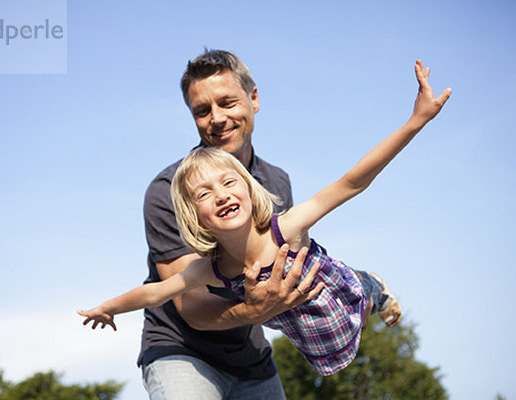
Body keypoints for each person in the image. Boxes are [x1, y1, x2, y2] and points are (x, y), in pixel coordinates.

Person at [78, 61, 451, 377]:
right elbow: (157, 292)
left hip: (327, 301)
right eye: (205, 194)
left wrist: (414, 122)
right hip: (250, 338)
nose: (221, 194)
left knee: (354, 287)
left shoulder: (284, 222)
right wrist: (109, 307)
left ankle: (371, 285)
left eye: (229, 183)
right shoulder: (207, 264)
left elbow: (353, 181)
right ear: (193, 217)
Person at [135, 49, 310, 399]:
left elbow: (297, 265)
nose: (217, 118)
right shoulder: (168, 190)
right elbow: (194, 307)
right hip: (182, 350)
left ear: (254, 99)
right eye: (202, 111)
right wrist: (255, 308)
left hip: (251, 356)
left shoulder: (277, 183)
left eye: (227, 102)